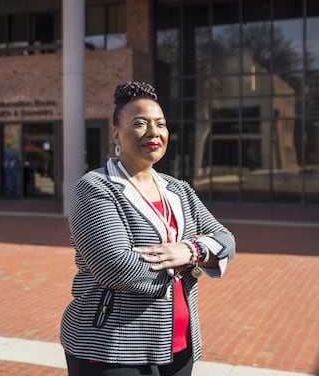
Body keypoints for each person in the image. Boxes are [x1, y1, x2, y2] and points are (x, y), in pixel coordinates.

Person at [60, 81, 236, 376]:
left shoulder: (179, 190)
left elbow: (226, 239)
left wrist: (190, 249)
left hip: (178, 345)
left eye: (161, 124)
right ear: (116, 131)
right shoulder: (95, 187)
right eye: (139, 123)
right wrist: (193, 258)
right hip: (112, 347)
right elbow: (115, 267)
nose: (154, 132)